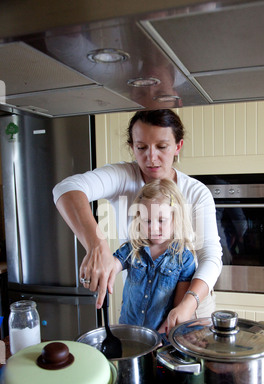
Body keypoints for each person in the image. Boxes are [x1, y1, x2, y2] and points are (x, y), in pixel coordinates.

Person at [53, 109, 222, 333]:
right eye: (141, 147)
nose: (151, 158)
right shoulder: (123, 176)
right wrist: (97, 245)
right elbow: (65, 188)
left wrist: (187, 305)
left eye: (162, 147)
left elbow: (210, 256)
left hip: (191, 301)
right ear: (132, 146)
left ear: (177, 147)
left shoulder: (196, 192)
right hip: (139, 313)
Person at [113, 179, 196, 331]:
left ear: (175, 218)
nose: (153, 228)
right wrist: (101, 270)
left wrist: (156, 339)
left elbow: (177, 311)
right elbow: (111, 266)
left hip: (160, 341)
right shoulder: (133, 248)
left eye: (161, 220)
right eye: (147, 221)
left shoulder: (184, 259)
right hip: (127, 333)